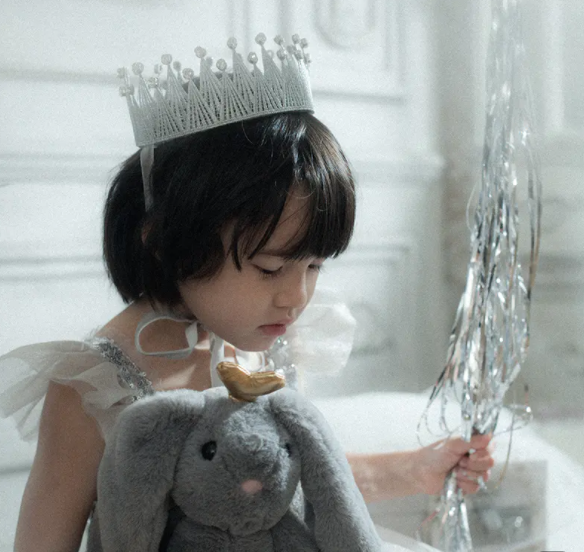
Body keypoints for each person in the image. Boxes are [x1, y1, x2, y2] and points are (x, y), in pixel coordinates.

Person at [0, 34, 493, 552]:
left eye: (315, 266)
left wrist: (415, 469)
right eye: (269, 268)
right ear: (167, 242)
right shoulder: (95, 386)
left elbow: (275, 484)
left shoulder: (267, 338)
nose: (296, 297)